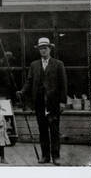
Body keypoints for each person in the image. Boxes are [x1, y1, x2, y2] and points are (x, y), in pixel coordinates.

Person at [16, 37, 67, 166]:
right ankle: (45, 156)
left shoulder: (58, 64)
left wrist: (62, 101)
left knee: (54, 130)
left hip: (53, 103)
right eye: (41, 49)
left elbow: (63, 84)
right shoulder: (34, 65)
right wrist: (22, 92)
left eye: (45, 48)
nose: (43, 51)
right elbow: (29, 82)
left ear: (50, 49)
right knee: (42, 130)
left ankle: (56, 156)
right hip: (39, 103)